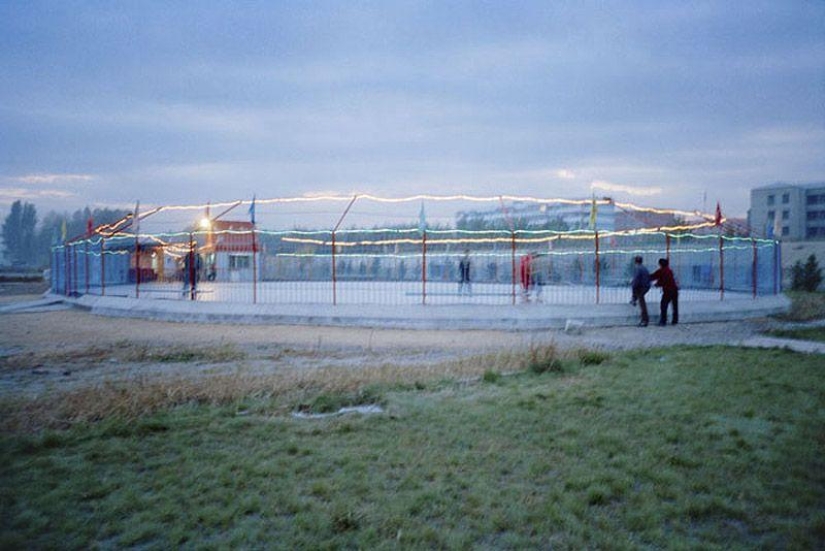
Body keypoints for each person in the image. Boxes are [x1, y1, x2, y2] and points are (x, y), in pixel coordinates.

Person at [650, 257, 679, 326]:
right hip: (674, 290)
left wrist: (657, 284)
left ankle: (663, 320)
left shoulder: (661, 271)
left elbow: (654, 277)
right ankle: (675, 320)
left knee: (663, 305)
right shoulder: (669, 270)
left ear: (660, 264)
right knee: (675, 305)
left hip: (668, 291)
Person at [630, 256, 651, 327]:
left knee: (642, 302)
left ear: (635, 261)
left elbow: (636, 279)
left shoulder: (637, 268)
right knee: (641, 299)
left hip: (642, 286)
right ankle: (634, 298)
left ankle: (644, 320)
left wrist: (633, 285)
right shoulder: (644, 268)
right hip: (646, 286)